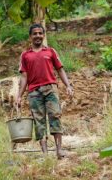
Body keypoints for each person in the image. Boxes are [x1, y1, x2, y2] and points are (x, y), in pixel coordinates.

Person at [16, 23, 73, 158]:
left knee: (55, 116)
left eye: (40, 33)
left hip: (50, 89)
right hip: (34, 92)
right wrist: (19, 95)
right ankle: (45, 154)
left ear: (44, 35)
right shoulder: (25, 55)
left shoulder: (50, 51)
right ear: (30, 36)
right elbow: (24, 77)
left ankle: (59, 150)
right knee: (39, 121)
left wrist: (68, 85)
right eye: (35, 33)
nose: (38, 36)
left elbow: (60, 70)